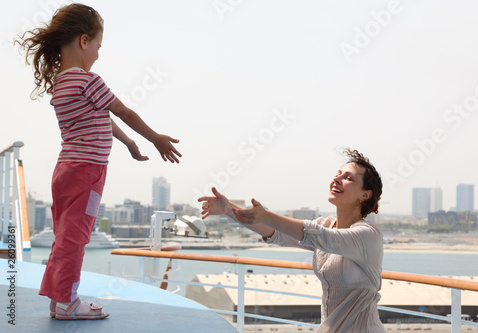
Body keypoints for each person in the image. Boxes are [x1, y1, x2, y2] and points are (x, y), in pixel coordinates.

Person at [16, 3, 182, 320]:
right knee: (77, 237)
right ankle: (68, 303)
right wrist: (154, 137)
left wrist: (129, 142)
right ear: (83, 41)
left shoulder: (61, 83)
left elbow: (100, 115)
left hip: (65, 171)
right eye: (98, 46)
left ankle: (58, 297)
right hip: (87, 173)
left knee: (64, 235)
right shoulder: (88, 79)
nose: (98, 55)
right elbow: (123, 112)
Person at [198, 149, 385, 332]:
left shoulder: (368, 235)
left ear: (365, 195)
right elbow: (277, 233)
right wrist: (227, 209)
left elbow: (322, 237)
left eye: (348, 178)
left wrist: (267, 216)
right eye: (337, 174)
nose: (337, 179)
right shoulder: (327, 225)